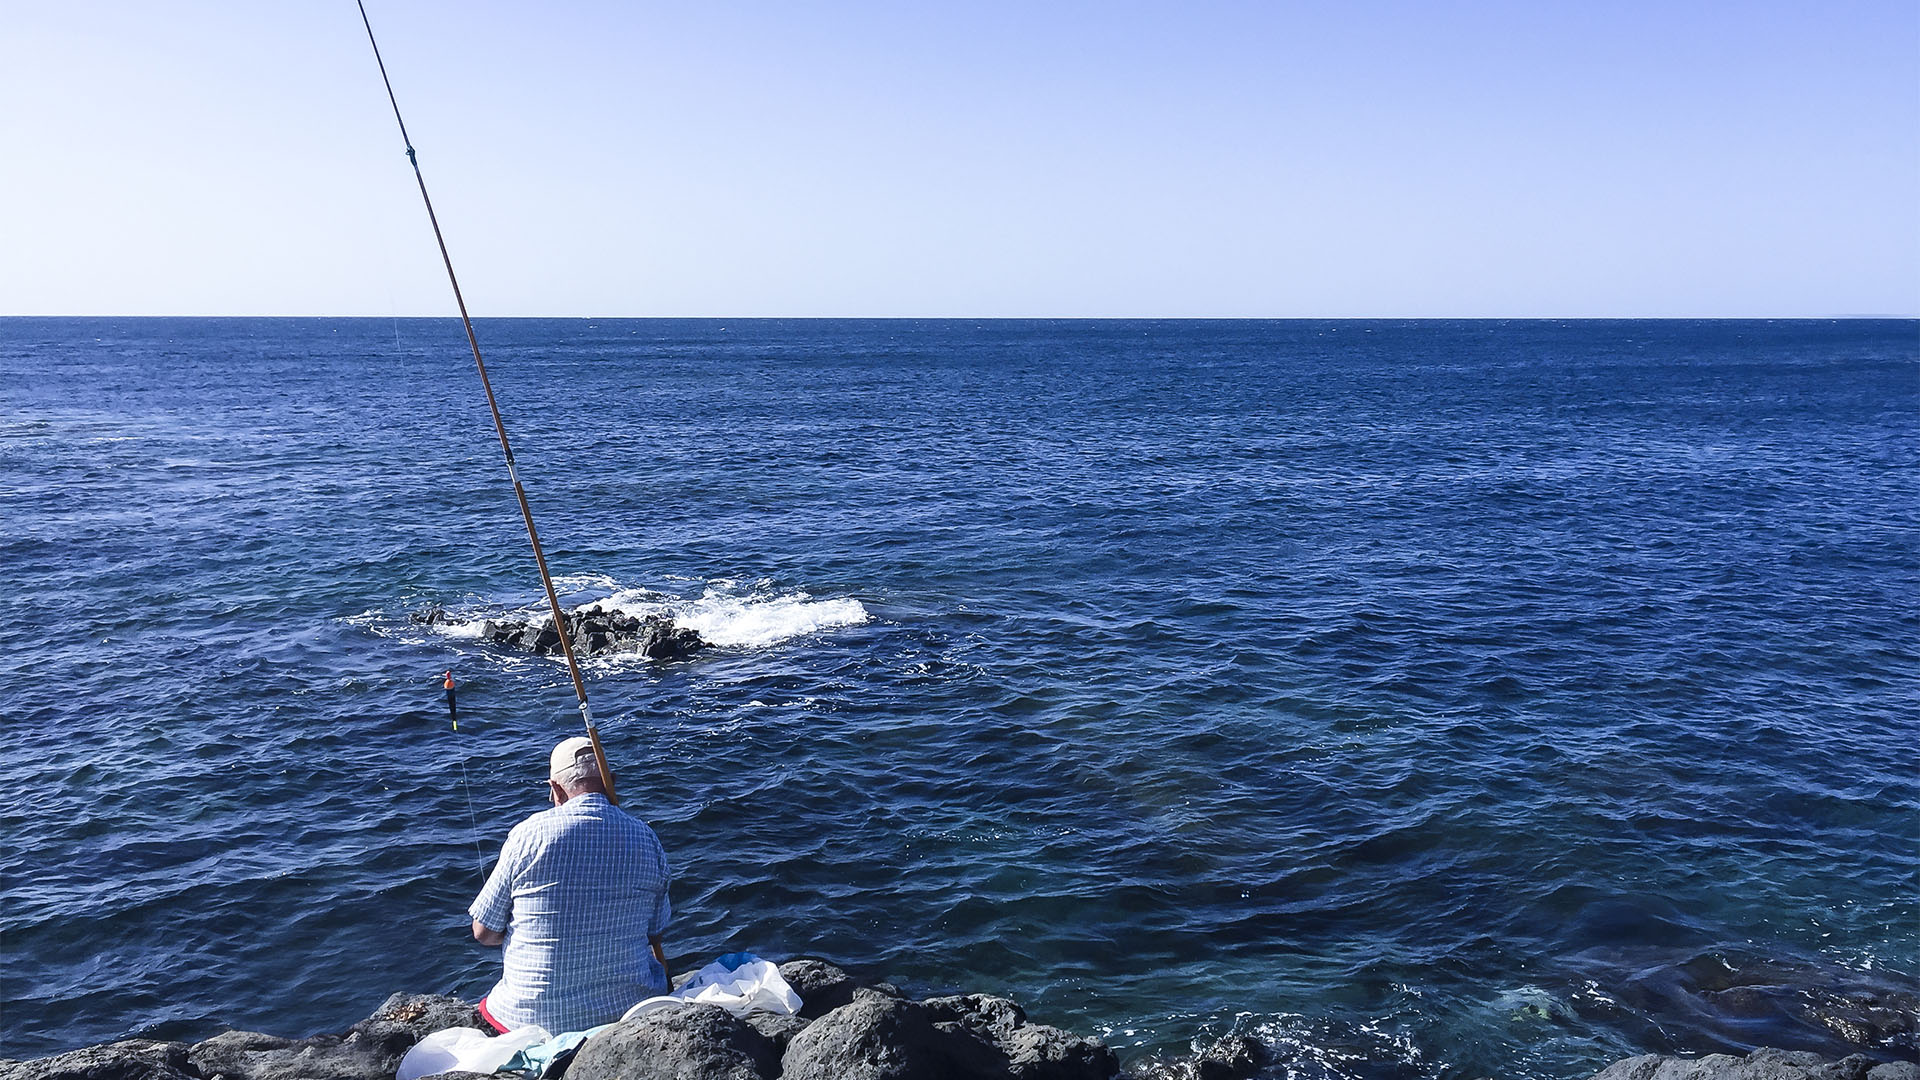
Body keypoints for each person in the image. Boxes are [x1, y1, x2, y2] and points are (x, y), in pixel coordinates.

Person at [468, 736, 672, 1033]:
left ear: (555, 789)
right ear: (611, 781)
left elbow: (483, 932)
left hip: (527, 1021)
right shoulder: (647, 837)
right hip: (628, 1012)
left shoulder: (528, 834)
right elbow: (655, 930)